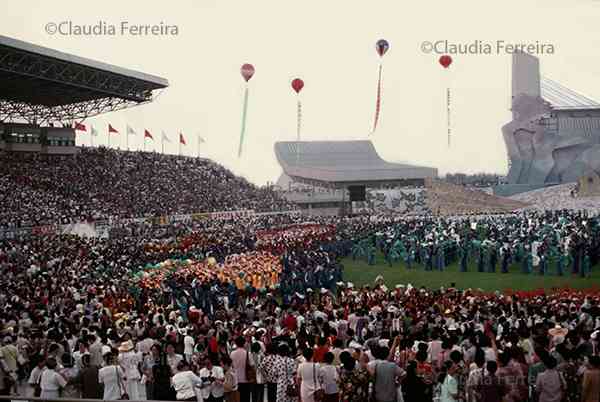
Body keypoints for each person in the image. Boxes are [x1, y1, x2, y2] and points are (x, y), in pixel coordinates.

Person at [231, 336, 253, 402]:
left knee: (237, 399)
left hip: (236, 379)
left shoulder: (232, 353)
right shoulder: (248, 353)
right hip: (246, 379)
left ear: (236, 343)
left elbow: (231, 366)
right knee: (246, 398)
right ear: (244, 343)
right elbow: (252, 365)